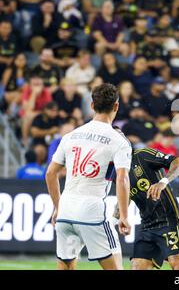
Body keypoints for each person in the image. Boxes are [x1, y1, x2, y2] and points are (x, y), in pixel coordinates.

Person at [45, 83, 132, 270]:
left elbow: (51, 173)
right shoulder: (119, 140)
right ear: (116, 106)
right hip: (92, 213)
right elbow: (122, 179)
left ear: (92, 105)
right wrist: (124, 215)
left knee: (66, 267)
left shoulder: (70, 136)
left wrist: (57, 206)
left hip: (66, 211)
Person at [113, 145, 179, 270]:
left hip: (169, 219)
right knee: (137, 266)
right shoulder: (117, 171)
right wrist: (117, 218)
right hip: (147, 225)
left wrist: (163, 182)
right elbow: (126, 196)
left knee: (177, 262)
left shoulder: (142, 155)